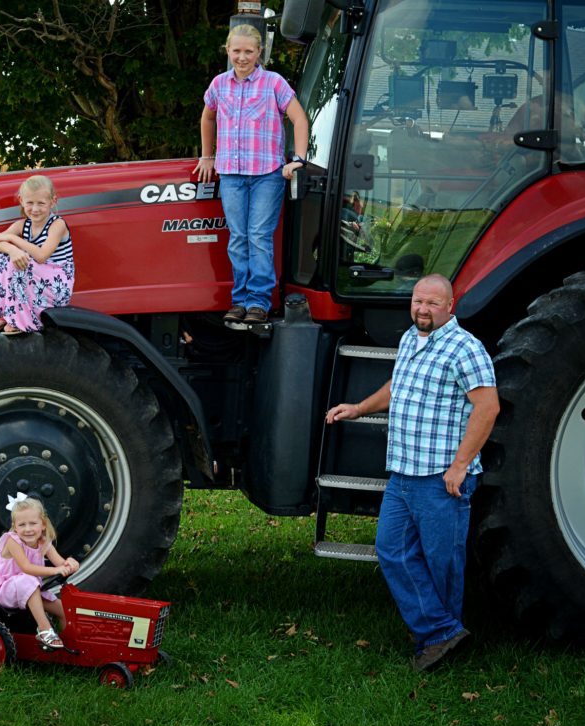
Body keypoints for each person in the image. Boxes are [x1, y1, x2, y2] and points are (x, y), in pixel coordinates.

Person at [325, 274, 499, 671]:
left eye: (433, 304)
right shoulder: (410, 339)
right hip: (402, 474)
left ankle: (439, 643)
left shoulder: (465, 349)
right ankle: (440, 632)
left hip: (440, 479)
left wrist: (459, 467)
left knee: (442, 563)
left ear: (450, 307)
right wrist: (358, 408)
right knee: (392, 551)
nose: (423, 309)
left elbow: (487, 408)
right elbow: (396, 386)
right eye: (418, 301)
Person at [194, 23, 309, 329]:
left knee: (258, 236)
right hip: (231, 173)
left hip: (266, 174)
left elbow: (298, 118)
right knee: (238, 237)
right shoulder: (219, 85)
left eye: (248, 51)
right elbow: (207, 117)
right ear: (228, 51)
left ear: (259, 52)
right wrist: (207, 156)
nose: (242, 57)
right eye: (236, 51)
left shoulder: (273, 83)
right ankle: (240, 300)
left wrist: (297, 159)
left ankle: (258, 302)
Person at [0, 175, 75, 334]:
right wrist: (12, 250)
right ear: (21, 201)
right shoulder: (23, 225)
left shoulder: (57, 224)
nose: (35, 209)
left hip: (56, 286)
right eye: (30, 203)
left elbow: (41, 256)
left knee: (16, 264)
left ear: (53, 202)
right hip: (37, 280)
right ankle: (6, 313)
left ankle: (23, 320)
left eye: (41, 203)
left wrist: (11, 238)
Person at [0, 495, 80, 649]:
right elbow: (26, 568)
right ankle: (44, 629)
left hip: (30, 589)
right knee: (28, 579)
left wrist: (70, 563)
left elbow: (60, 563)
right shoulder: (12, 541)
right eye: (22, 525)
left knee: (64, 610)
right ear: (15, 527)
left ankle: (68, 643)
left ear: (42, 524)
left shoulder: (43, 542)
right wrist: (56, 570)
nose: (28, 529)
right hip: (3, 590)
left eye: (33, 523)